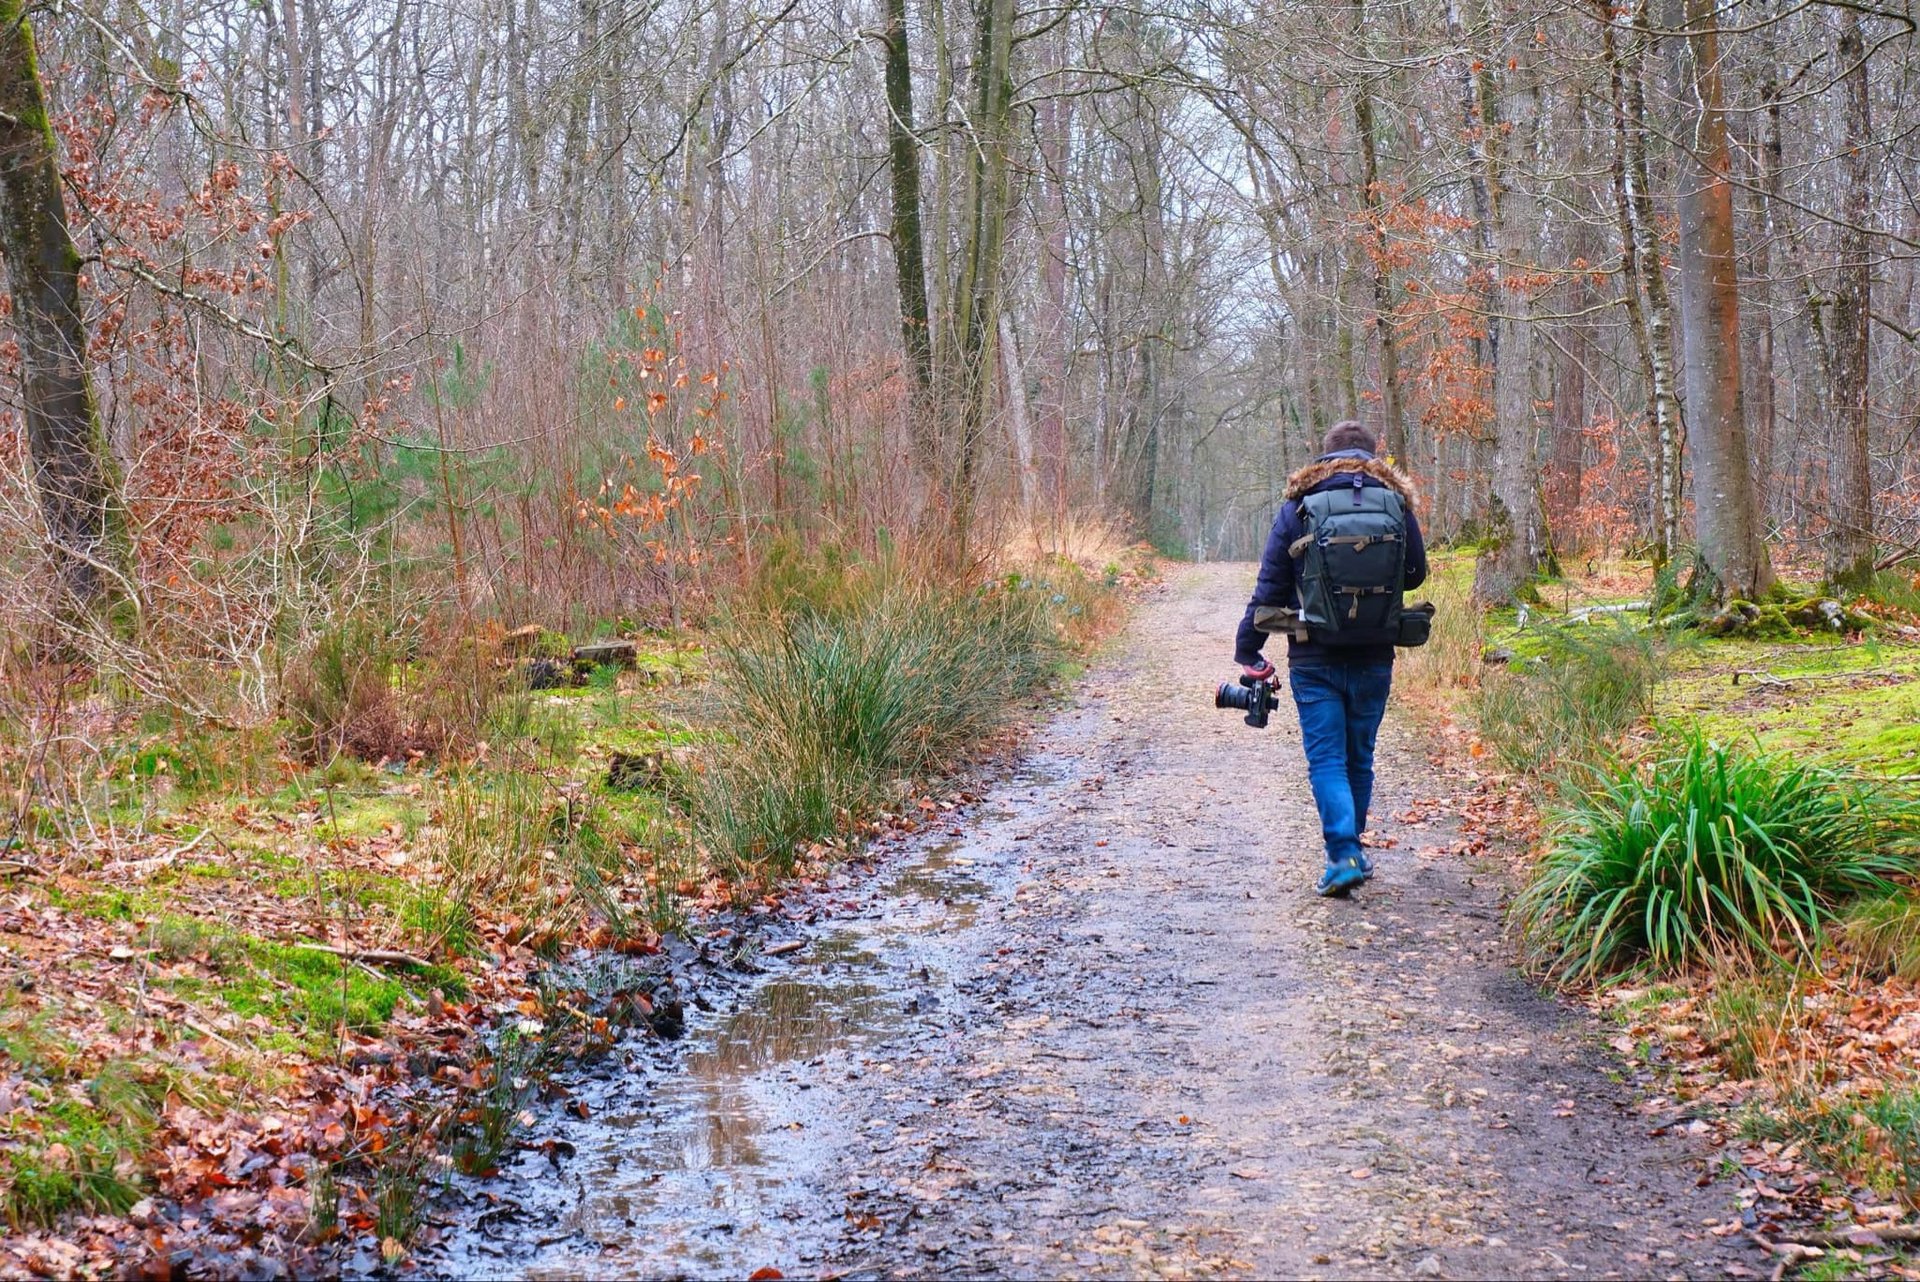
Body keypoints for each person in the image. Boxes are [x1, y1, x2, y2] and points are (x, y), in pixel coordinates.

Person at [1234, 420, 1427, 897]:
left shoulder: (1299, 506)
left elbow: (1270, 586)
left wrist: (1247, 650)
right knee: (1359, 757)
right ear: (1373, 455)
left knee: (1326, 759)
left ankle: (1342, 855)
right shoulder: (1395, 503)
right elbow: (1416, 574)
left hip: (1313, 654)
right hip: (1376, 653)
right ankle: (1353, 850)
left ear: (1324, 457)